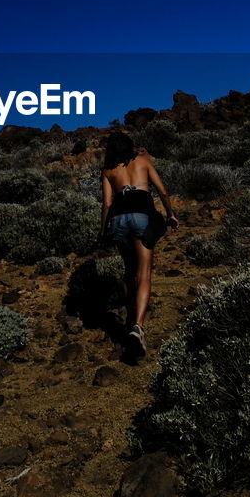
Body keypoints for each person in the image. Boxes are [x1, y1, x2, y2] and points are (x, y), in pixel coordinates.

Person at [99, 131, 179, 357]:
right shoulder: (143, 161)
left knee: (129, 271)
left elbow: (106, 204)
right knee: (144, 273)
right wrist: (170, 214)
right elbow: (162, 190)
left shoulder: (107, 170)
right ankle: (138, 327)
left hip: (118, 219)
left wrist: (103, 231)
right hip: (142, 214)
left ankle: (128, 315)